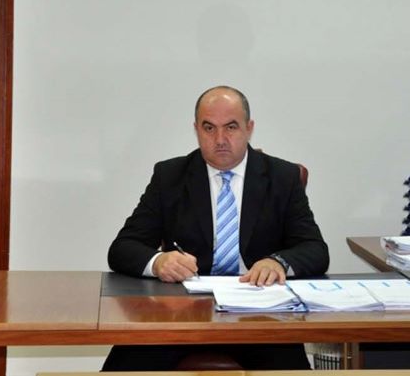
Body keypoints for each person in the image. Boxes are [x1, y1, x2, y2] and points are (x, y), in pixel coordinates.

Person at [102, 85, 329, 371]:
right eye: (209, 128)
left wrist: (278, 262)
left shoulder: (282, 177)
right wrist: (158, 262)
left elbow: (315, 249)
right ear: (196, 130)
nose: (220, 139)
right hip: (181, 315)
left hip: (259, 318)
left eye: (231, 127)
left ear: (249, 128)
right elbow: (122, 248)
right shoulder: (170, 176)